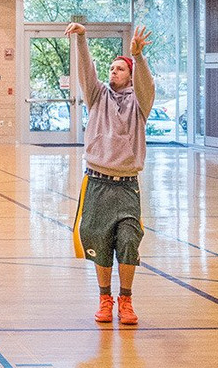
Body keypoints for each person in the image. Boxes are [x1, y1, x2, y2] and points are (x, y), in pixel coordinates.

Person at [66, 23, 155, 326]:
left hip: (127, 184)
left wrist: (137, 56)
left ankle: (126, 300)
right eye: (112, 68)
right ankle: (105, 298)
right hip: (97, 182)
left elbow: (147, 86)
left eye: (120, 68)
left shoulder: (140, 103)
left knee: (129, 240)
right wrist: (81, 38)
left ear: (130, 75)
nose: (113, 72)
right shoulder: (97, 96)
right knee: (99, 241)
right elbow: (85, 70)